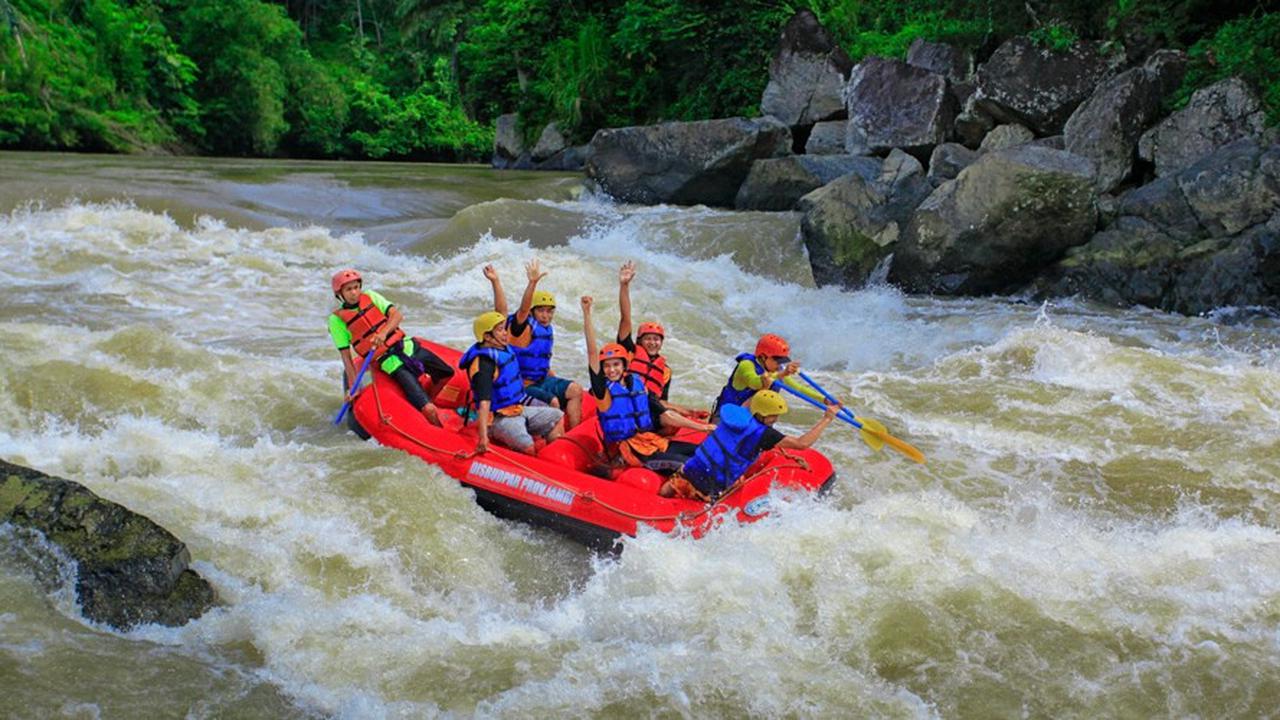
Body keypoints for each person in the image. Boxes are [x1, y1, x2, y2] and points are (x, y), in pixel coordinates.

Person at [581, 296, 715, 474]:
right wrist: (587, 313)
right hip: (632, 450)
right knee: (691, 465)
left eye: (616, 365)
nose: (612, 370)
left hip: (650, 441)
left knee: (701, 454)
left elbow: (666, 415)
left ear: (625, 365)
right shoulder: (603, 391)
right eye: (607, 366)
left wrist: (702, 426)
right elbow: (592, 352)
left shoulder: (637, 385)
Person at [660, 390, 841, 501]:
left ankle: (667, 493)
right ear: (763, 415)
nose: (776, 419)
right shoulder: (764, 434)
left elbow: (753, 398)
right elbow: (803, 443)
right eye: (773, 415)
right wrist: (827, 419)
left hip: (692, 468)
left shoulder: (735, 413)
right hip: (713, 485)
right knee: (737, 483)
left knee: (667, 489)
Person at [328, 269, 454, 427]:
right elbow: (346, 356)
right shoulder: (336, 320)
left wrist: (383, 333)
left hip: (407, 346)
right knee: (429, 409)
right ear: (340, 294)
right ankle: (432, 420)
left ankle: (425, 398)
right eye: (349, 289)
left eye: (356, 287)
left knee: (446, 373)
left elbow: (396, 316)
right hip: (390, 360)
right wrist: (354, 387)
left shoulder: (371, 296)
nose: (354, 292)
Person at [489, 259, 585, 429]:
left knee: (575, 389)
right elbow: (520, 310)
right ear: (533, 312)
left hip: (540, 380)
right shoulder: (522, 328)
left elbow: (539, 359)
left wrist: (549, 373)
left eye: (549, 311)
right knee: (554, 402)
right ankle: (551, 439)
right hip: (520, 385)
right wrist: (532, 283)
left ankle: (573, 435)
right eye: (541, 311)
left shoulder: (546, 330)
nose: (545, 316)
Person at [459, 310, 565, 455]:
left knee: (557, 416)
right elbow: (484, 403)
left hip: (517, 409)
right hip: (497, 419)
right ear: (488, 337)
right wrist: (483, 438)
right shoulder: (484, 365)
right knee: (528, 447)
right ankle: (532, 467)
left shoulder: (503, 348)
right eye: (500, 330)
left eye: (504, 328)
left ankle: (553, 461)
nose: (505, 332)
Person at [615, 261, 707, 419]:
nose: (653, 342)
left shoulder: (665, 371)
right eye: (648, 339)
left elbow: (661, 402)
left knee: (668, 418)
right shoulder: (629, 351)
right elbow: (626, 319)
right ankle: (688, 416)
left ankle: (689, 416)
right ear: (640, 341)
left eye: (657, 339)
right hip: (624, 401)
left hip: (646, 409)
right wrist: (624, 286)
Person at [710, 333, 824, 420]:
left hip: (752, 418)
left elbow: (797, 389)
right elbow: (755, 383)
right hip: (727, 414)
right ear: (763, 357)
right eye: (776, 360)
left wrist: (824, 399)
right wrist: (782, 374)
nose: (779, 364)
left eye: (782, 361)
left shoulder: (777, 370)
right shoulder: (746, 365)